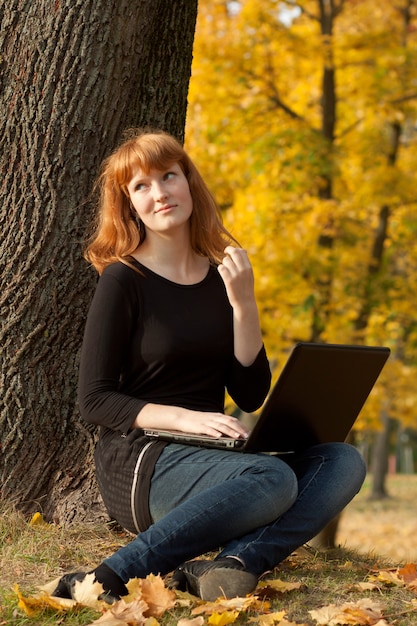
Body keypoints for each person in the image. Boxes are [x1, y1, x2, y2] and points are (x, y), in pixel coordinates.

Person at [53, 129, 366, 604]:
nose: (159, 193)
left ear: (189, 183)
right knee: (273, 478)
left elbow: (250, 394)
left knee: (342, 460)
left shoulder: (222, 277)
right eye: (141, 186)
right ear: (128, 204)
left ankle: (231, 565)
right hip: (143, 459)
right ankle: (107, 578)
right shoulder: (123, 279)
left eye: (168, 176)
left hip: (214, 458)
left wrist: (243, 304)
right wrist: (185, 417)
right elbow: (94, 399)